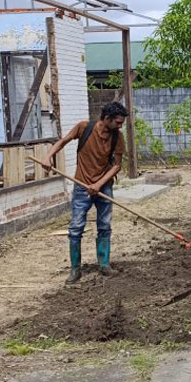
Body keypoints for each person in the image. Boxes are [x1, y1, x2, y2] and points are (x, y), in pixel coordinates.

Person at [38, 101, 128, 283]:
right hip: (81, 187)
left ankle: (104, 265)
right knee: (76, 228)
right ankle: (75, 269)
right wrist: (48, 156)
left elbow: (117, 165)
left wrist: (99, 184)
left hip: (104, 187)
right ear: (107, 118)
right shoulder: (84, 128)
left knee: (104, 226)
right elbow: (63, 141)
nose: (120, 126)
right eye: (118, 122)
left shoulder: (117, 138)